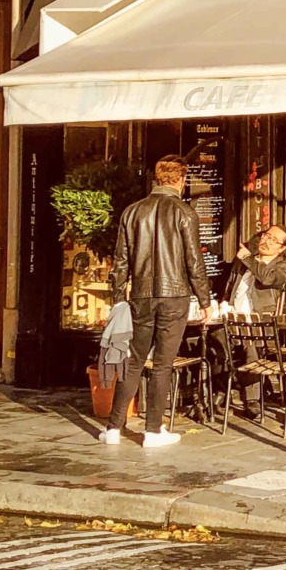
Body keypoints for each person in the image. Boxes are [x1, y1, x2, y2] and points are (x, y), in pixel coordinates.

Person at [99, 155, 211, 446]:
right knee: (163, 364)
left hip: (141, 295)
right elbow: (194, 261)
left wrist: (117, 298)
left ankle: (113, 427)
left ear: (157, 179)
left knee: (133, 360)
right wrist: (205, 299)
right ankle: (153, 430)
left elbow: (120, 262)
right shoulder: (185, 213)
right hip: (175, 295)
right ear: (181, 180)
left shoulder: (133, 212)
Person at [213, 225, 286, 414]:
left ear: (281, 248)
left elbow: (266, 279)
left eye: (274, 240)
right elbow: (230, 286)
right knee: (215, 340)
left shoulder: (283, 267)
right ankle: (220, 391)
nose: (267, 241)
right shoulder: (243, 264)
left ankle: (252, 400)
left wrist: (248, 259)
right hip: (232, 319)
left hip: (259, 324)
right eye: (267, 236)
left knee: (250, 346)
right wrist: (223, 303)